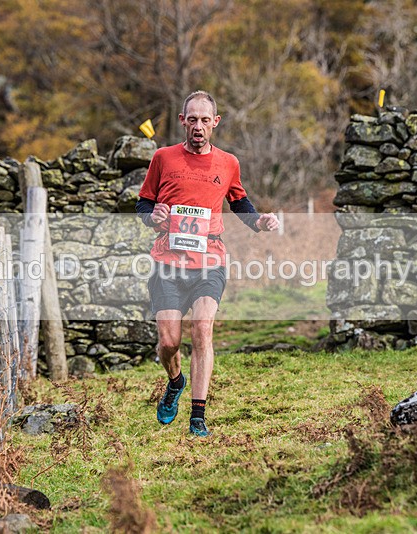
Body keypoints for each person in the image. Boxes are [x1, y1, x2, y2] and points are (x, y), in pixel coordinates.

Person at [136, 90, 280, 437]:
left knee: (202, 329)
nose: (198, 126)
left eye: (205, 120)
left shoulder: (228, 163)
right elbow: (143, 205)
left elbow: (240, 202)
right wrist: (152, 216)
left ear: (215, 123)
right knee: (168, 343)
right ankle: (175, 381)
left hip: (209, 262)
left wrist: (259, 221)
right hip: (167, 262)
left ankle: (198, 416)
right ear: (182, 121)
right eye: (192, 119)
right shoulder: (163, 158)